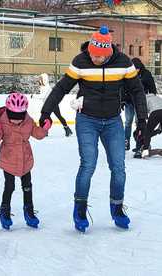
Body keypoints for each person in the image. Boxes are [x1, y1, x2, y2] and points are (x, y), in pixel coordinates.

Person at [39, 26, 148, 232]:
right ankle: (80, 209)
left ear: (108, 52)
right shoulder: (80, 62)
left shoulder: (124, 63)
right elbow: (61, 88)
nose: (95, 58)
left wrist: (141, 120)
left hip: (113, 121)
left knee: (118, 168)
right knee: (88, 165)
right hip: (87, 120)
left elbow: (137, 90)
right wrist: (46, 112)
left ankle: (117, 207)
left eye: (99, 56)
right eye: (92, 54)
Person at [0, 92, 51, 230]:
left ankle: (29, 211)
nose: (17, 120)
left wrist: (44, 129)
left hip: (26, 159)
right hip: (8, 160)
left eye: (19, 116)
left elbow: (37, 133)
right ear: (8, 112)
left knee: (27, 186)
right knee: (9, 186)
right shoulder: (0, 122)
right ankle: (5, 211)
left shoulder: (27, 120)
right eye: (13, 116)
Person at [130, 57, 158, 157]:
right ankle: (140, 145)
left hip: (144, 101)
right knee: (139, 124)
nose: (136, 70)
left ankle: (143, 146)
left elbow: (152, 87)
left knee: (141, 124)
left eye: (137, 68)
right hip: (134, 101)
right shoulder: (130, 74)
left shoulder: (146, 74)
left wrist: (152, 97)